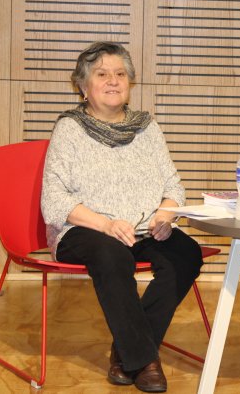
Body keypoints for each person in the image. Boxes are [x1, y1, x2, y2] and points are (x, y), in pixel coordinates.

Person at [41, 41, 203, 393]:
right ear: (84, 87)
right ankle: (144, 361)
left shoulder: (146, 127)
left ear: (129, 83)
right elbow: (54, 199)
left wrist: (165, 216)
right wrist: (105, 224)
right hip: (84, 229)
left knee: (186, 253)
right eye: (102, 75)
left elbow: (174, 185)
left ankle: (126, 349)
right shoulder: (69, 128)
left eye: (120, 74)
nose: (113, 81)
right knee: (112, 255)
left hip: (144, 229)